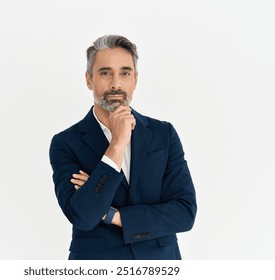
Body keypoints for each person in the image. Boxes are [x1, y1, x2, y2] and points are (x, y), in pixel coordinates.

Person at [49, 35, 197, 260]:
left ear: (135, 80)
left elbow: (184, 213)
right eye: (105, 73)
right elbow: (84, 216)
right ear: (89, 80)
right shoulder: (66, 143)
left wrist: (112, 215)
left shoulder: (163, 134)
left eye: (125, 73)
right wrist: (116, 144)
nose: (116, 83)